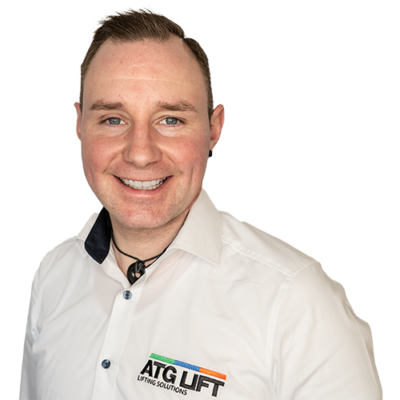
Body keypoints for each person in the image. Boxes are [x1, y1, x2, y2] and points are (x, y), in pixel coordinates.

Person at [19, 6, 383, 400]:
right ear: (79, 124)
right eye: (113, 119)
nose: (140, 153)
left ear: (214, 128)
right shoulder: (53, 276)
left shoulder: (297, 301)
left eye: (170, 120)